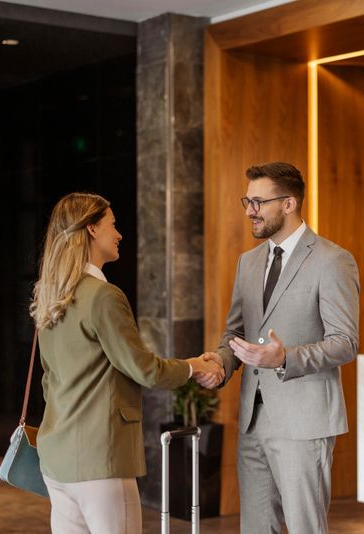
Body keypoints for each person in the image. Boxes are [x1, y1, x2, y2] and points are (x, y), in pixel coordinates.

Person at [30, 192, 223, 534]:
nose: (118, 234)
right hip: (99, 459)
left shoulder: (51, 294)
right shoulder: (103, 296)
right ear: (91, 229)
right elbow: (143, 368)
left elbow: (49, 381)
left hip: (57, 459)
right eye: (112, 225)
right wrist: (195, 366)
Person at [195, 162, 359, 533]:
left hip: (305, 420)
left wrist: (285, 357)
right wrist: (220, 363)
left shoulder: (333, 260)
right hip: (253, 421)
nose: (250, 211)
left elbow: (345, 343)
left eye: (258, 201)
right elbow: (234, 332)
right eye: (247, 201)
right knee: (254, 527)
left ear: (289, 203)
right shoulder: (248, 262)